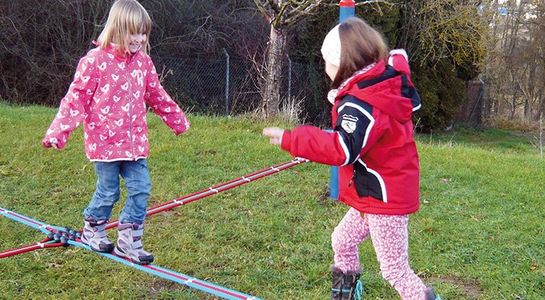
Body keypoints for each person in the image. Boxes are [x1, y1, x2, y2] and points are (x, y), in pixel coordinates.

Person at [263, 17, 440, 300]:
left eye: (327, 62)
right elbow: (399, 69)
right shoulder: (378, 83)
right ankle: (345, 295)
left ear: (344, 63)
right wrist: (398, 59)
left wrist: (293, 139)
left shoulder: (362, 104)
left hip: (384, 199)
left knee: (395, 270)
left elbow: (342, 148)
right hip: (371, 192)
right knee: (342, 240)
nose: (325, 68)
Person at [42, 0, 190, 265]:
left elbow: (156, 94)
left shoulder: (143, 63)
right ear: (118, 29)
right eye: (135, 32)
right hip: (105, 144)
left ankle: (128, 240)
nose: (140, 39)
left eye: (144, 33)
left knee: (141, 189)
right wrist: (58, 132)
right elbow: (76, 99)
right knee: (108, 192)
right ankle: (92, 228)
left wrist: (176, 119)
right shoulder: (94, 61)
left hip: (135, 145)